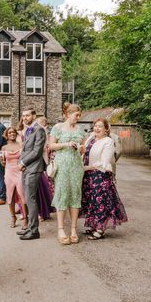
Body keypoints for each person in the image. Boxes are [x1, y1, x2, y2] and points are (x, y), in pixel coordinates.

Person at [81, 118, 128, 240]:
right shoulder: (91, 138)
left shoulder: (108, 141)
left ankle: (100, 229)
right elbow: (83, 152)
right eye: (95, 126)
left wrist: (87, 167)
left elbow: (104, 162)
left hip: (100, 175)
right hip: (88, 175)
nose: (96, 128)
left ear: (106, 129)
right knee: (91, 201)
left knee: (100, 202)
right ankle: (93, 225)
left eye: (100, 126)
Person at [49, 103, 86, 245]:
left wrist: (81, 147)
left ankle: (73, 230)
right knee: (62, 193)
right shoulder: (58, 128)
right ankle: (60, 229)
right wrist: (66, 144)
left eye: (79, 115)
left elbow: (83, 150)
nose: (78, 117)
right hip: (62, 166)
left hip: (76, 166)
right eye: (76, 115)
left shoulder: (80, 129)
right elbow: (51, 146)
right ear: (68, 114)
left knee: (75, 195)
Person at [17, 108, 46, 240]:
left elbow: (37, 151)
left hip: (34, 168)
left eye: (27, 115)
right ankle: (30, 227)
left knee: (31, 199)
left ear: (34, 116)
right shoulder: (28, 129)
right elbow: (25, 149)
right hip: (27, 168)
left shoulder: (39, 129)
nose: (25, 118)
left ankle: (34, 231)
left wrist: (22, 162)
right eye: (23, 116)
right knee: (28, 199)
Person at [0, 127, 27, 229]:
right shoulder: (3, 148)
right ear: (7, 135)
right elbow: (2, 162)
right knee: (10, 195)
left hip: (20, 172)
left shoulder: (21, 145)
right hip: (9, 172)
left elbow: (25, 158)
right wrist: (2, 160)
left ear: (16, 134)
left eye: (14, 132)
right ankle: (13, 217)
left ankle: (25, 218)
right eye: (10, 132)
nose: (12, 134)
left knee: (22, 195)